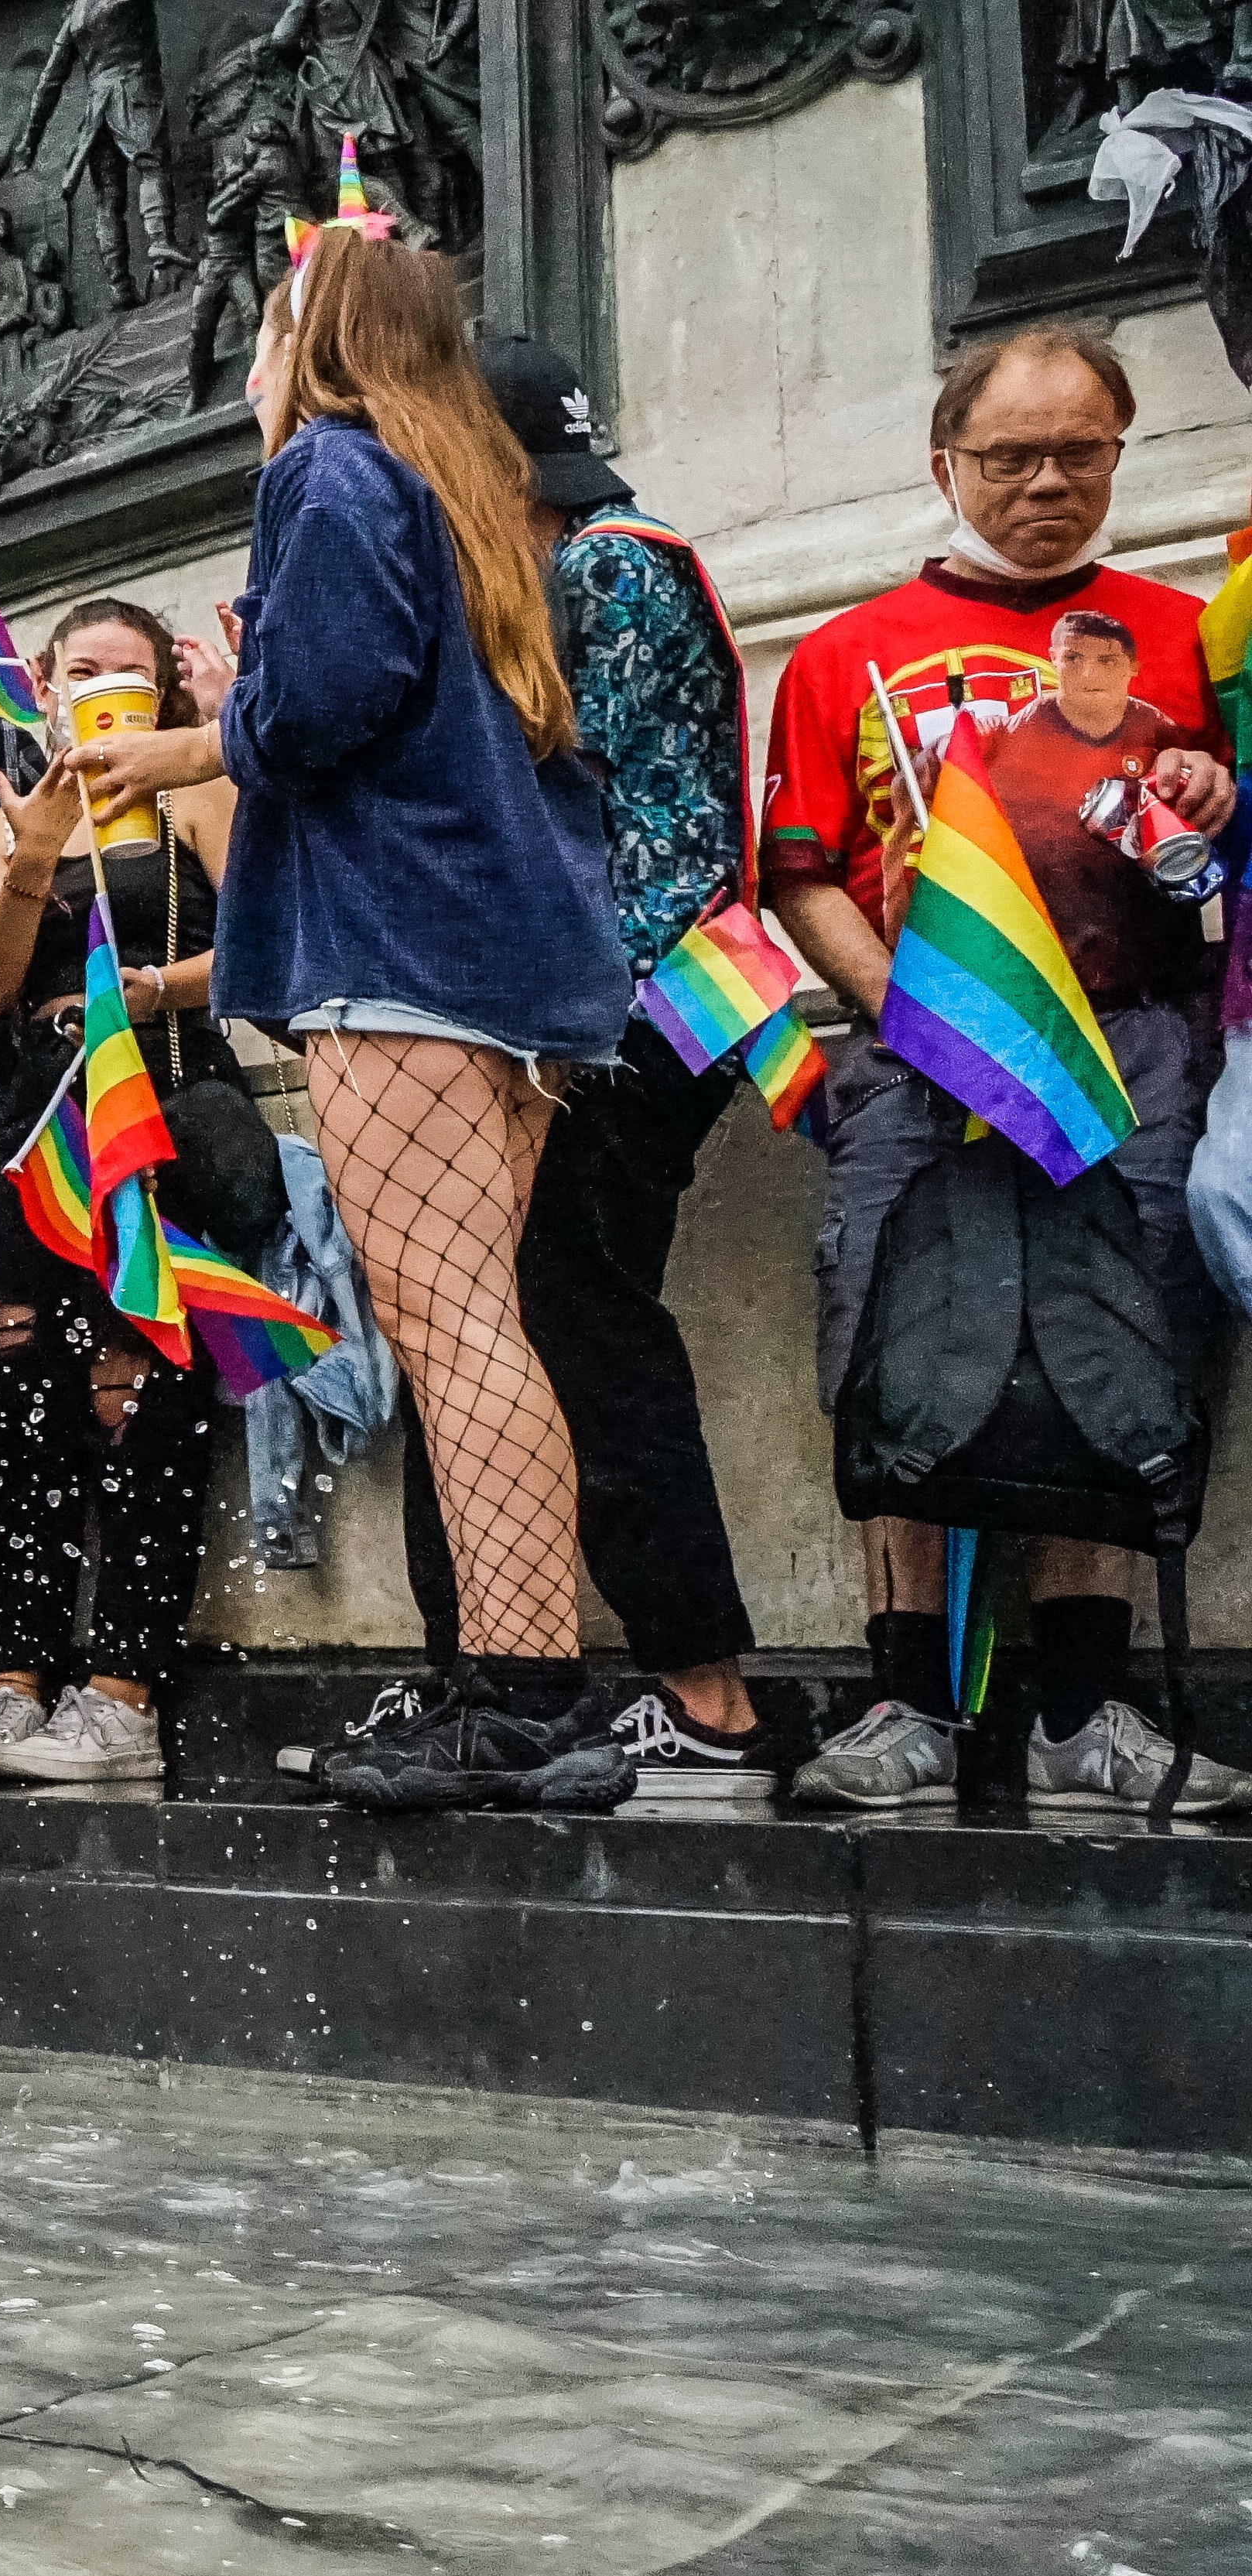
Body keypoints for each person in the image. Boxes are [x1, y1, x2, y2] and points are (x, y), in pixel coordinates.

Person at [93, 229, 637, 1799]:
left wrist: (235, 702)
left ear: (318, 337)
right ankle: (511, 1680)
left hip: (400, 943)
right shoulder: (463, 492)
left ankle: (526, 1699)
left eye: (266, 335)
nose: (250, 370)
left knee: (453, 1324)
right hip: (509, 954)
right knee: (483, 1319)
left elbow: (325, 707)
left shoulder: (325, 470)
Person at [758, 324, 1241, 1812]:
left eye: (1080, 451)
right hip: (922, 1059)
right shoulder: (845, 651)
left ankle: (1087, 1708)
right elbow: (798, 869)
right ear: (944, 463)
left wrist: (1213, 798)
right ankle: (905, 1701)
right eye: (1011, 455)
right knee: (898, 1345)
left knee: (1124, 1344)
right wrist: (907, 1011)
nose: (1047, 481)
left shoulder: (1186, 636)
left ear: (1119, 451)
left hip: (1136, 1049)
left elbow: (1225, 841)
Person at [353, 335, 778, 1773]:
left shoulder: (590, 571)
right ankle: (475, 1670)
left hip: (615, 1009)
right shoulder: (628, 546)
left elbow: (527, 793)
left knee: (560, 1325)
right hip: (641, 1000)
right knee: (494, 1322)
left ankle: (700, 1689)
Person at [0, 603, 239, 1783]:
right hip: (38, 1120)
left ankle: (123, 1689)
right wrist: (33, 854)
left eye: (127, 673)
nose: (102, 691)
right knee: (20, 1389)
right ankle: (17, 1668)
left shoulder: (198, 795)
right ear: (43, 686)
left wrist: (154, 986)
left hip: (161, 1102)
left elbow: (267, 940)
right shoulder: (6, 820)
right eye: (81, 673)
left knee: (144, 1389)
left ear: (163, 686)